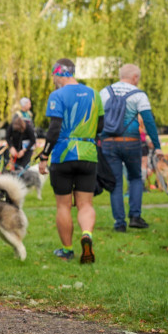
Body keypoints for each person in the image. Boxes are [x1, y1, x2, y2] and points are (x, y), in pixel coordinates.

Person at [36, 59, 103, 262]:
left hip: (63, 155)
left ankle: (66, 250)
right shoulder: (94, 93)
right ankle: (87, 235)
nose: (53, 80)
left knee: (63, 205)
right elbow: (100, 126)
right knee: (85, 204)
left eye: (53, 76)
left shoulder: (57, 95)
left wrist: (44, 155)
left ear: (59, 74)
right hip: (88, 154)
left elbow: (54, 128)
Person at [98, 64, 164, 232]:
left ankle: (119, 223)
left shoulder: (104, 92)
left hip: (109, 143)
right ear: (135, 77)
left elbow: (97, 118)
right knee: (135, 178)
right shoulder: (138, 95)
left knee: (116, 183)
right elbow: (148, 121)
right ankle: (135, 216)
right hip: (131, 142)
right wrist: (157, 146)